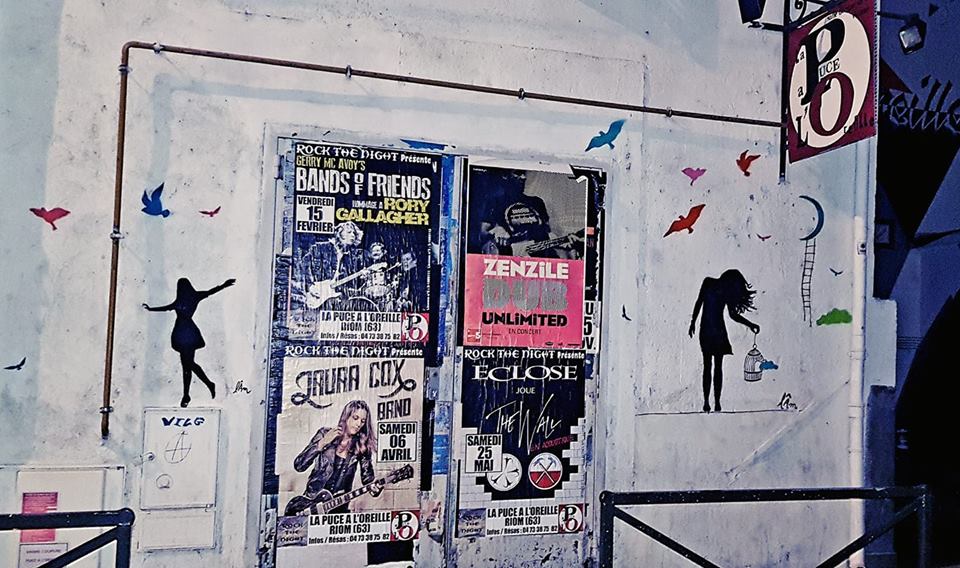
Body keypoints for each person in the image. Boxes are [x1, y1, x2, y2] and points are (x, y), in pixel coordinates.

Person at [143, 277, 235, 407]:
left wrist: (151, 309)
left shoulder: (181, 300)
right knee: (188, 365)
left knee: (187, 366)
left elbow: (166, 308)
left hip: (183, 334)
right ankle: (201, 388)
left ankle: (190, 393)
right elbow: (210, 292)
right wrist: (224, 285)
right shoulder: (193, 297)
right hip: (188, 334)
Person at [284, 400, 382, 516]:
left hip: (339, 509)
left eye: (363, 421)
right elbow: (299, 465)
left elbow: (368, 480)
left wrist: (376, 488)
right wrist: (322, 443)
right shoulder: (325, 433)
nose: (358, 424)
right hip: (311, 506)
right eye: (355, 418)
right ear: (346, 416)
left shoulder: (362, 446)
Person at [688, 269, 760, 413]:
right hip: (715, 331)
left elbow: (700, 303)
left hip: (709, 330)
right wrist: (692, 322)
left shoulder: (710, 283)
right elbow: (701, 303)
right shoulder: (714, 285)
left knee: (709, 366)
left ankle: (711, 402)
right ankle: (713, 402)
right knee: (715, 367)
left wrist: (693, 322)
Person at [477, 179, 580, 259]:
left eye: (524, 173)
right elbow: (482, 233)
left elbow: (549, 232)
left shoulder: (536, 201)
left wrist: (563, 241)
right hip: (510, 258)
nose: (523, 177)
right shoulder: (495, 203)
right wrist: (497, 232)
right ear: (506, 176)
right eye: (518, 173)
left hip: (539, 258)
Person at [297, 221, 366, 310]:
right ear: (339, 233)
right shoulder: (320, 248)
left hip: (333, 299)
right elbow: (302, 266)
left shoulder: (350, 258)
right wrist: (309, 286)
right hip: (314, 293)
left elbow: (348, 283)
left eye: (354, 233)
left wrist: (361, 277)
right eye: (349, 232)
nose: (353, 235)